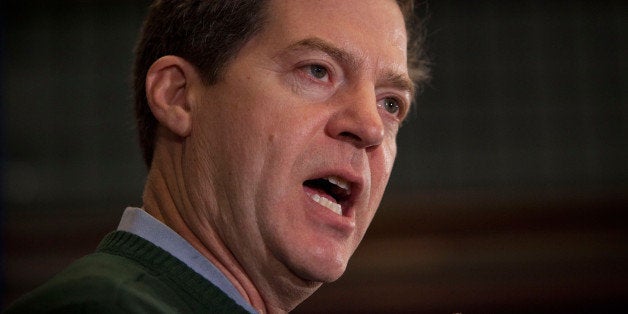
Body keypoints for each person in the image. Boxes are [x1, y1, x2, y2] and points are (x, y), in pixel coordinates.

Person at [6, 0, 429, 312]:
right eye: (317, 70)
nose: (371, 127)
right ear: (178, 97)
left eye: (390, 103)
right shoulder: (102, 308)